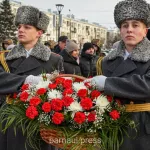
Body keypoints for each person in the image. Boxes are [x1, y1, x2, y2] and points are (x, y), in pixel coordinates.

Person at [84, 0, 150, 150]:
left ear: (145, 30)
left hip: (142, 128)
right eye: (125, 25)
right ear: (120, 30)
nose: (129, 30)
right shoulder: (106, 61)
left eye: (135, 25)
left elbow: (147, 86)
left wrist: (108, 84)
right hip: (111, 126)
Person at [0, 5, 64, 150]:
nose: (20, 30)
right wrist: (27, 80)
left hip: (42, 124)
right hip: (11, 123)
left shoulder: (54, 59)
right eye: (19, 26)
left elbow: (61, 93)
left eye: (27, 27)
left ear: (39, 32)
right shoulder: (4, 57)